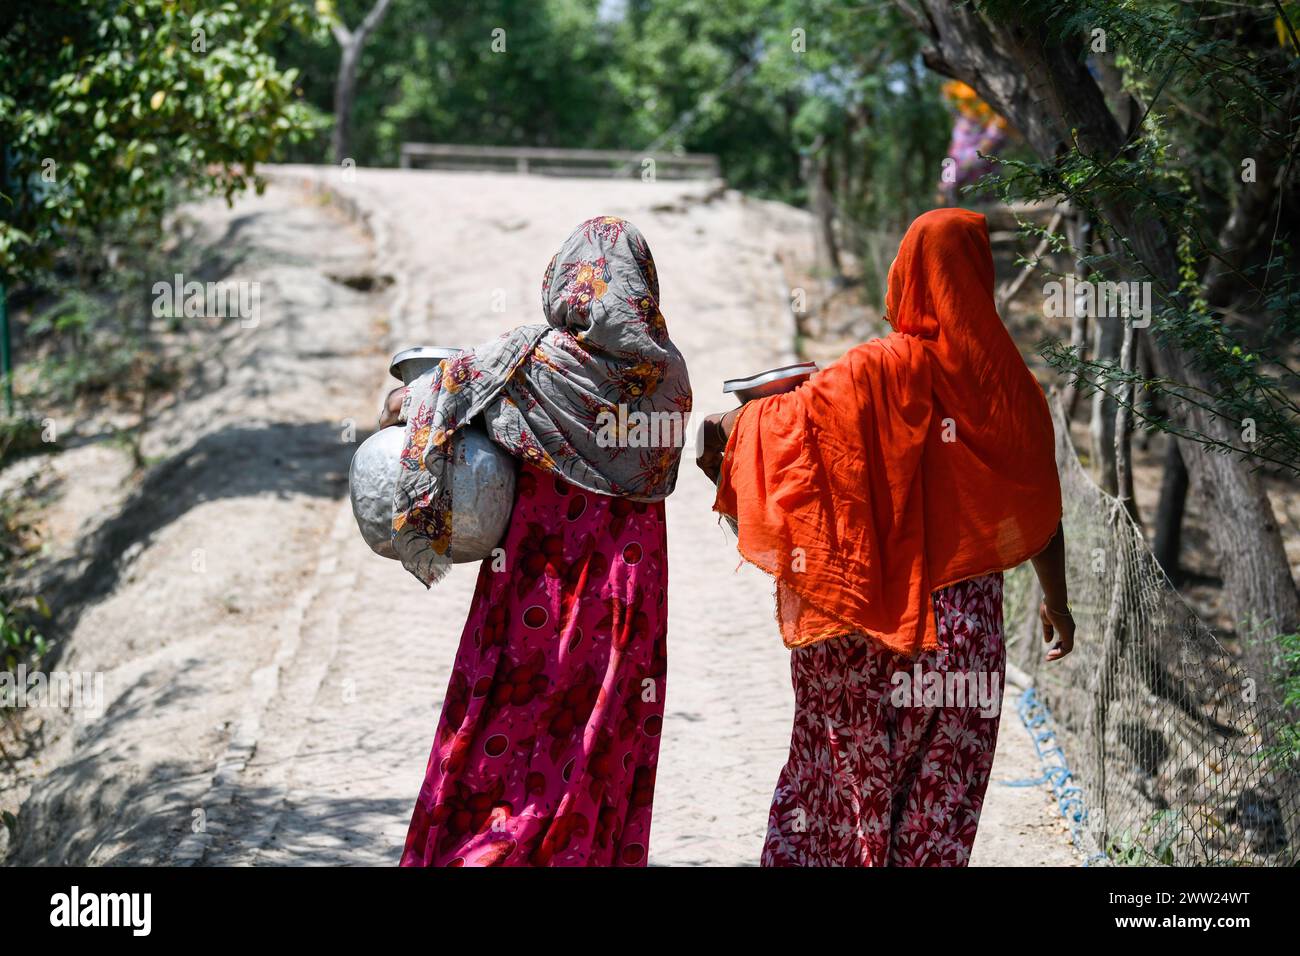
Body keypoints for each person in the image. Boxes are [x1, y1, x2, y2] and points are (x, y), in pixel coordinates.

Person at [696, 207, 1073, 867]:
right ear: (978, 278)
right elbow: (1038, 506)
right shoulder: (1013, 388)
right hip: (965, 633)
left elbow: (753, 433)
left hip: (867, 622)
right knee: (938, 800)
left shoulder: (877, 369)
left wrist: (740, 422)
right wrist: (1056, 603)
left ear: (906, 277)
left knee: (838, 786)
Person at [381, 216, 691, 866]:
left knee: (502, 726)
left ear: (566, 281)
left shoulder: (534, 358)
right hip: (627, 596)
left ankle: (480, 853)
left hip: (534, 583)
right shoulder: (667, 377)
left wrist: (402, 409)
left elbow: (437, 396)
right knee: (600, 740)